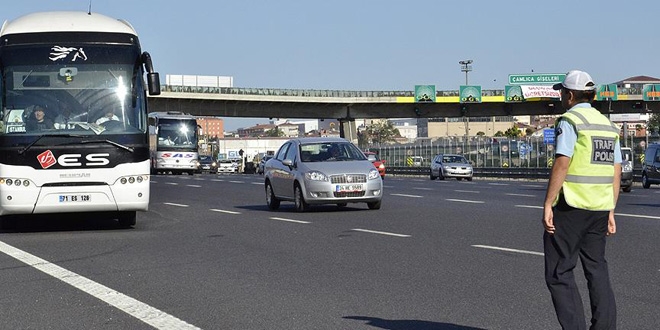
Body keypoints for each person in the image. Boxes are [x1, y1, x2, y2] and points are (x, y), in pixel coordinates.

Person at [543, 70, 620, 329]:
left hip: (571, 206)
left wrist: (548, 203)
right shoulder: (607, 126)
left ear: (571, 95)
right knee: (597, 270)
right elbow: (615, 169)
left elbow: (563, 161)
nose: (562, 97)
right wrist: (611, 208)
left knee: (559, 272)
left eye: (563, 92)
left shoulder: (570, 120)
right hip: (599, 208)